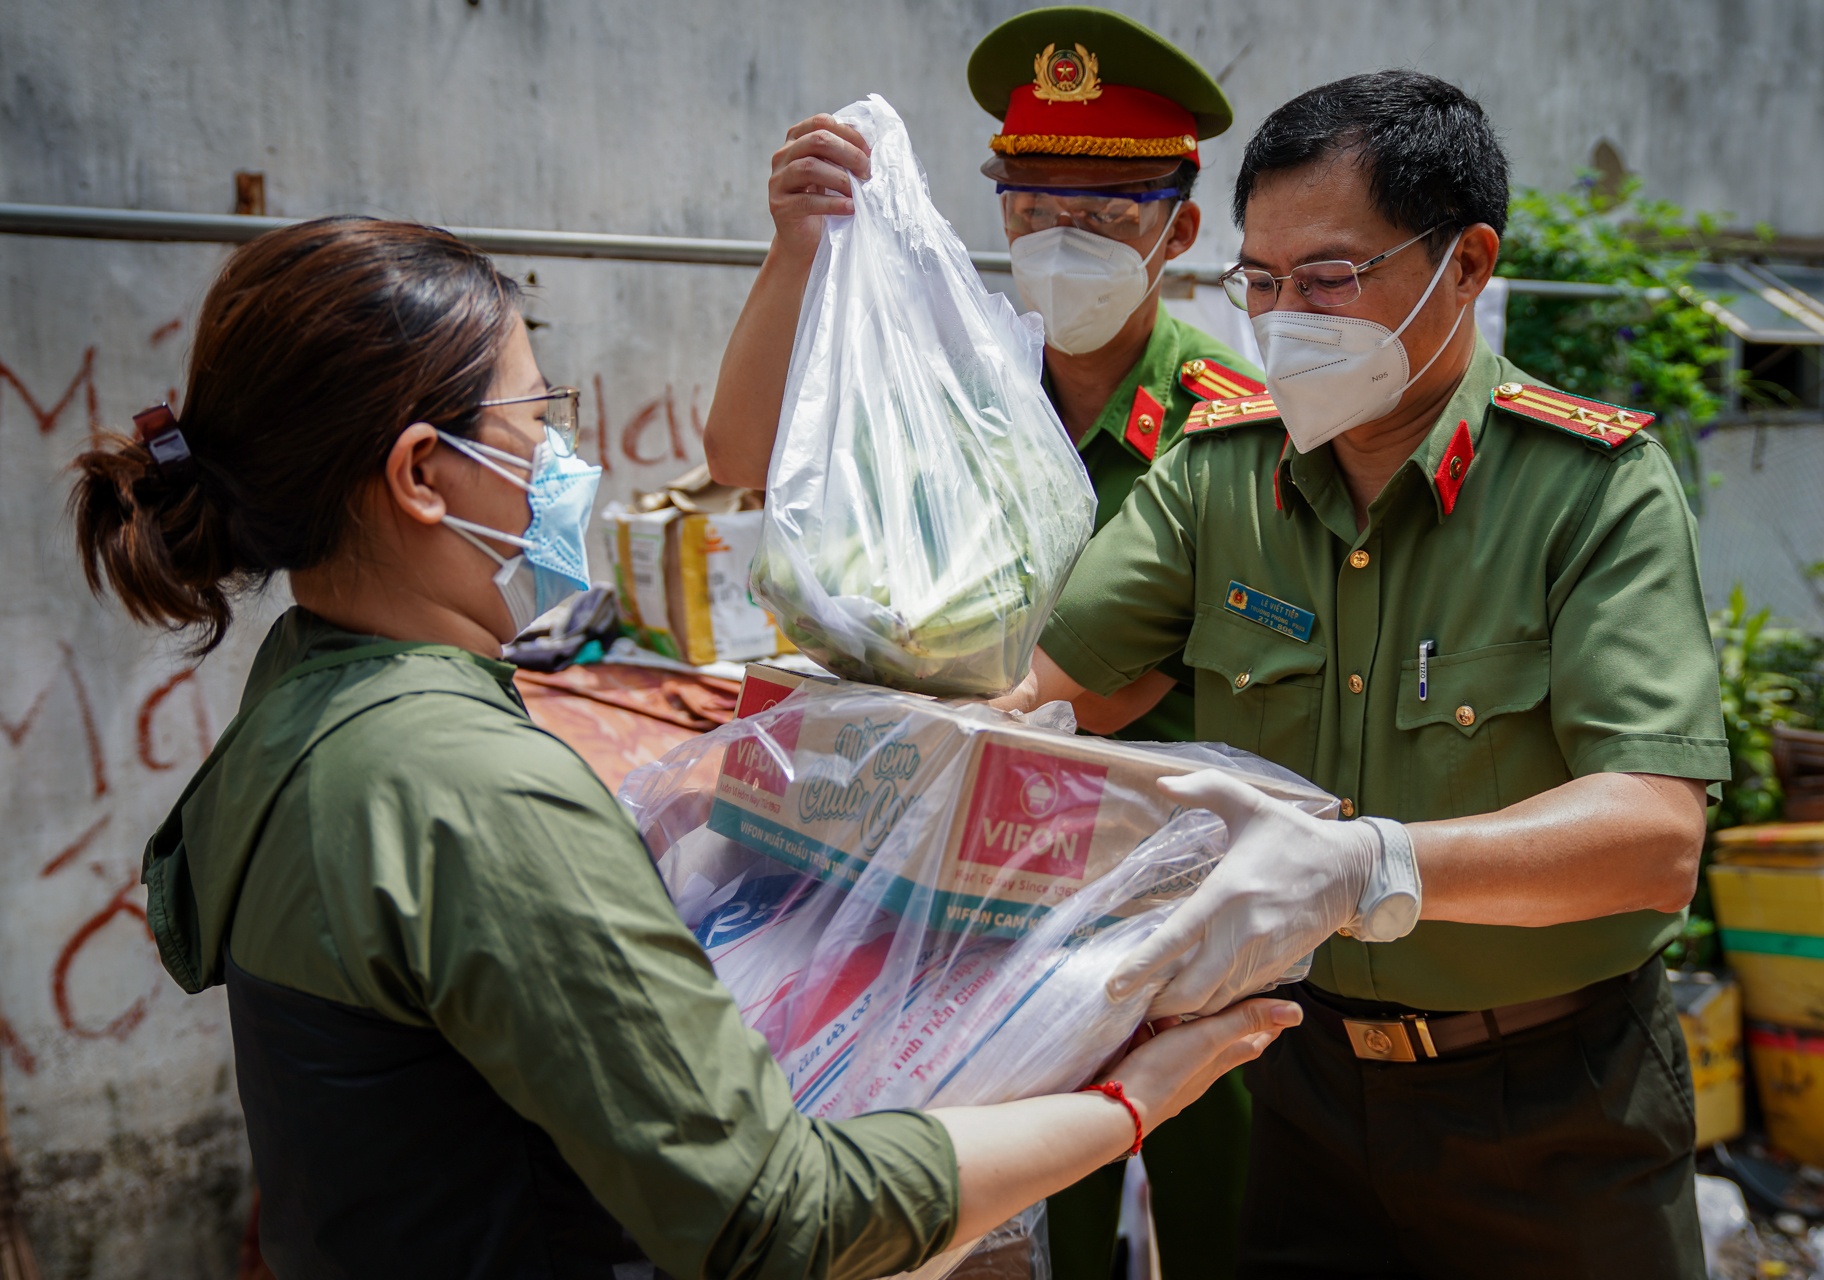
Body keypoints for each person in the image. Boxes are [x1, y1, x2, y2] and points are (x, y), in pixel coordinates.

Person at [68, 216, 1298, 1280]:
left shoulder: (302, 697)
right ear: (422, 474)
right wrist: (1130, 1096)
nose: (561, 461)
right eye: (537, 417)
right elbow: (775, 1215)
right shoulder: (475, 790)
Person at [994, 71, 1732, 1278]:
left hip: (1553, 1098)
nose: (1288, 318)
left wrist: (1373, 862)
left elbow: (1654, 832)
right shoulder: (1219, 475)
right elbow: (1058, 690)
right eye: (1264, 281)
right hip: (1304, 1077)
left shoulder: (1589, 491)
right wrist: (910, 736)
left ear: (1467, 263)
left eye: (1331, 277)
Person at [703, 12, 1269, 1275]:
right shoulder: (956, 388)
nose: (1058, 240)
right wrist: (796, 252)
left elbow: (1123, 682)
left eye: (1107, 212)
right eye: (1030, 203)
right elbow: (745, 461)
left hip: (1170, 896)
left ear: (1179, 228)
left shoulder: (1230, 431)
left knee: (1214, 1195)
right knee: (1017, 1211)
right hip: (974, 884)